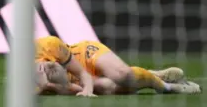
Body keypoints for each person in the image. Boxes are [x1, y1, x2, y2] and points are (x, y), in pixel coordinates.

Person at [36, 41, 201, 95]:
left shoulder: (49, 44)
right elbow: (67, 87)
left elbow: (81, 72)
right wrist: (47, 85)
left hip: (83, 56)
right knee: (108, 87)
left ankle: (156, 79)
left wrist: (87, 89)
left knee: (123, 75)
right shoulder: (27, 81)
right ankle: (168, 86)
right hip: (72, 80)